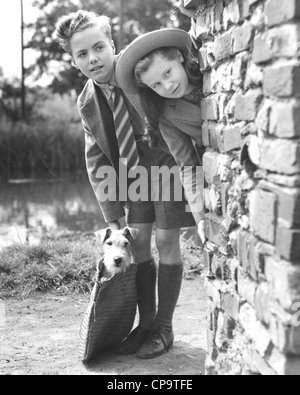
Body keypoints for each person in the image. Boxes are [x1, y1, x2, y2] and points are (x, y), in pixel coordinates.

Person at [55, 12, 205, 360]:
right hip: (133, 176)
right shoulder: (86, 101)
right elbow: (96, 160)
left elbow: (173, 99)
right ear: (74, 60)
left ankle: (164, 328)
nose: (93, 59)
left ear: (112, 44)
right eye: (82, 54)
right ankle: (147, 323)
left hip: (168, 164)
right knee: (137, 246)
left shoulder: (137, 71)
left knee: (167, 240)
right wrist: (111, 216)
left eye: (99, 47)